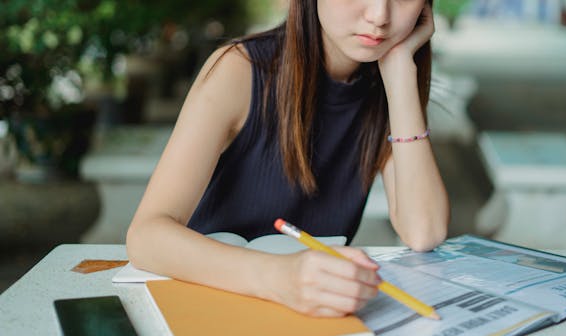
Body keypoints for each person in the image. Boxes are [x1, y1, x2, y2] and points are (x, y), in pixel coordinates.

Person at [126, 0, 449, 318]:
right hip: (207, 303)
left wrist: (402, 78)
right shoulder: (241, 68)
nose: (379, 15)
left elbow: (424, 231)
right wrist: (280, 277)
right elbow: (146, 236)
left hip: (308, 316)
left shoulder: (384, 86)